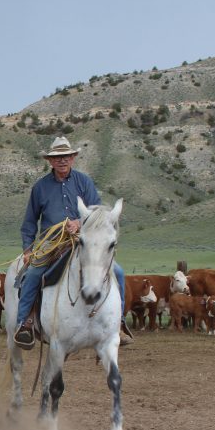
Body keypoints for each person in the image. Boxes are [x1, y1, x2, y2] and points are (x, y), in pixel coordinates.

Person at [12, 136, 133, 349]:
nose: (62, 161)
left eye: (66, 156)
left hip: (82, 242)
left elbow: (98, 213)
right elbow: (30, 222)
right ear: (50, 161)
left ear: (73, 158)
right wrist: (28, 250)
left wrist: (79, 222)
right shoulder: (40, 188)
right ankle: (26, 324)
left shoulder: (84, 181)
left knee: (119, 272)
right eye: (57, 157)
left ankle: (118, 324)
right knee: (31, 275)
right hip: (52, 243)